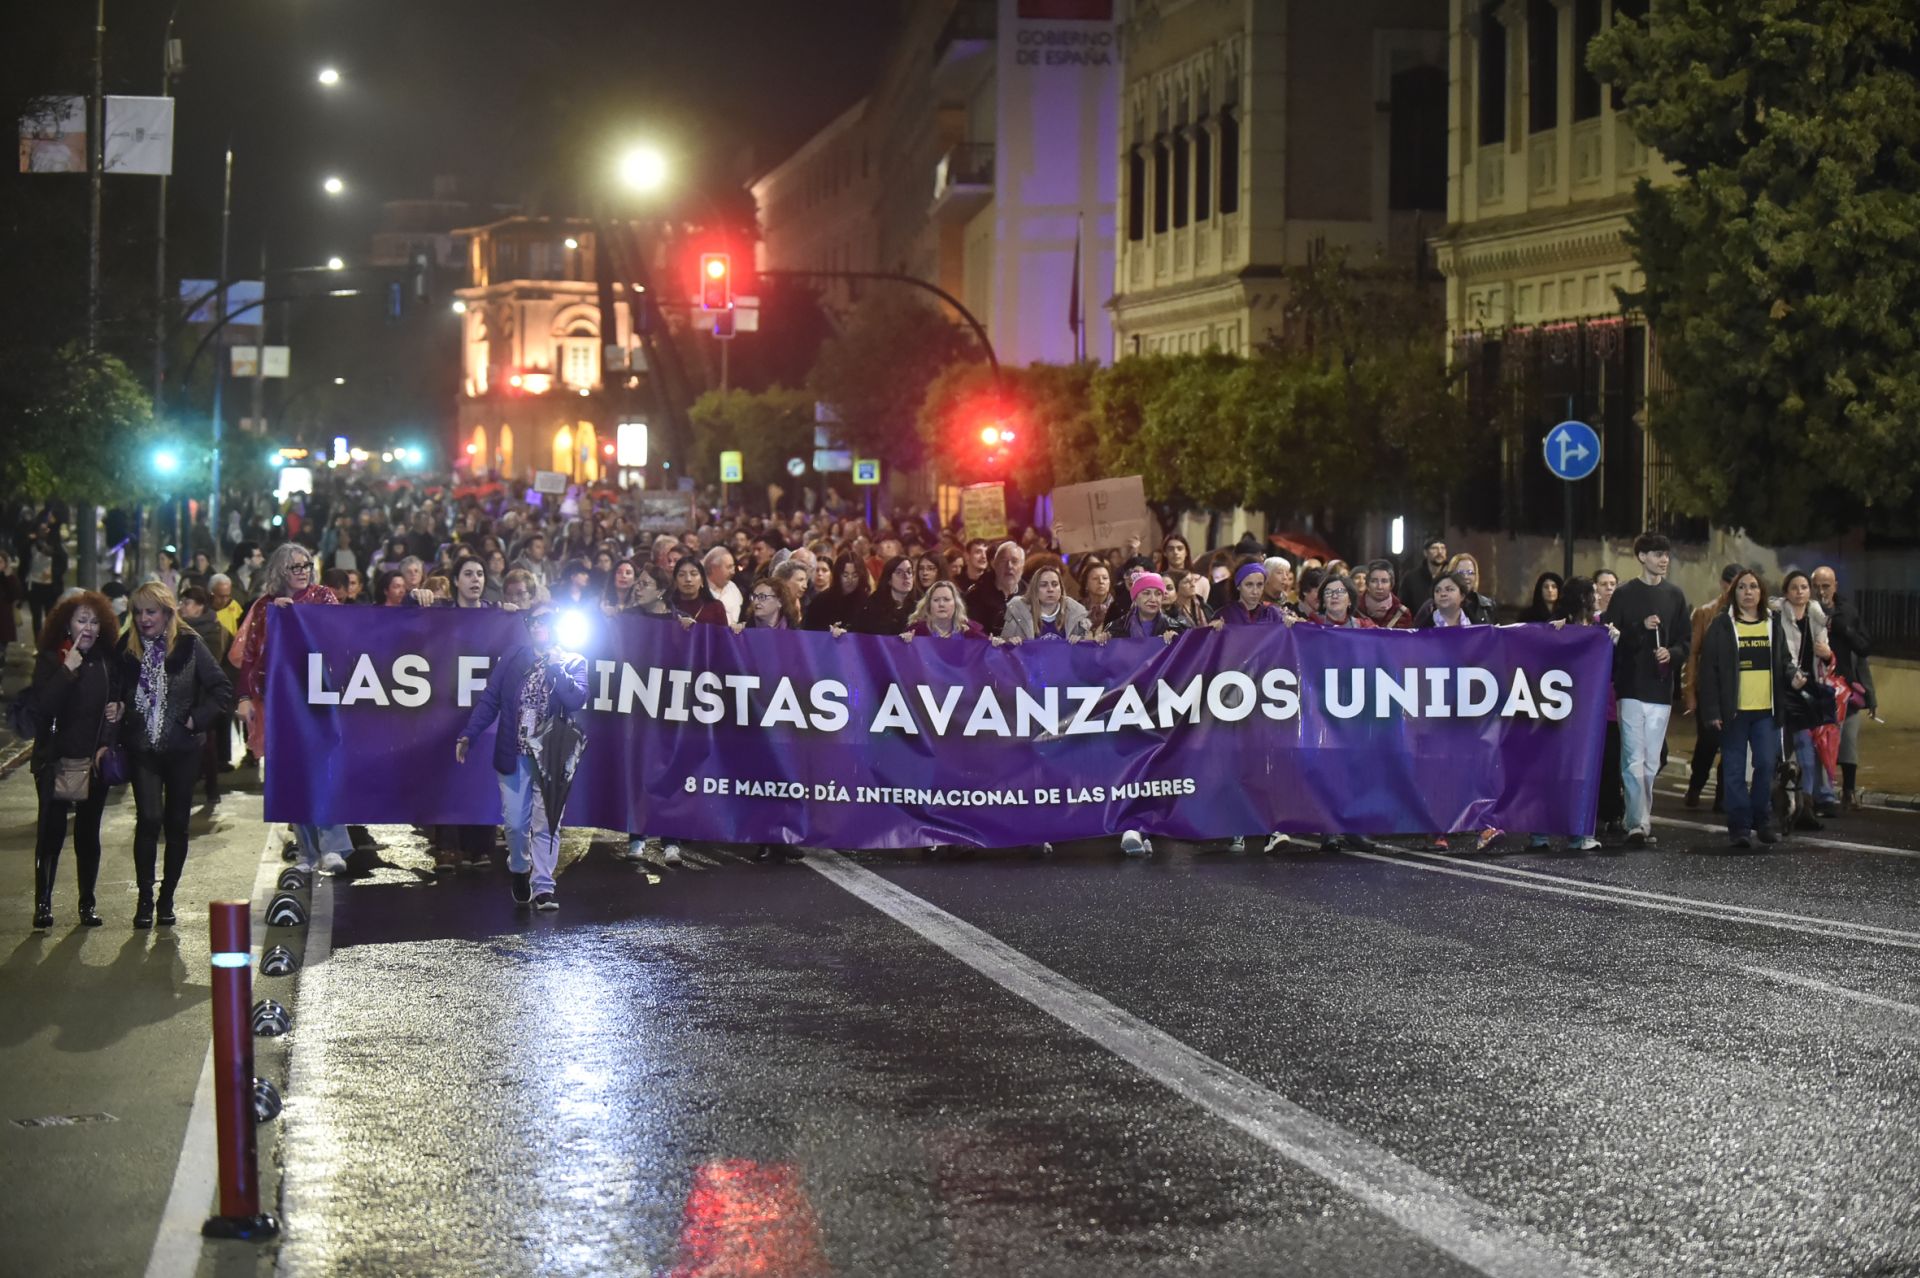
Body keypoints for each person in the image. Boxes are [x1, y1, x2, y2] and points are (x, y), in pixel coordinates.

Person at [232, 543, 357, 876]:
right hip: (281, 703)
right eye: (295, 567)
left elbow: (339, 637)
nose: (302, 572)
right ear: (279, 571)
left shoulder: (324, 598)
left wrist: (298, 619)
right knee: (290, 775)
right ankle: (306, 849)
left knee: (323, 772)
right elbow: (249, 658)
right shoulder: (264, 608)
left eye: (306, 566)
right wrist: (244, 697)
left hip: (320, 699)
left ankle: (332, 847)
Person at [455, 602, 589, 910]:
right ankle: (519, 867)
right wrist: (469, 734)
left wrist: (556, 667)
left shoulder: (573, 660)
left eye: (544, 620)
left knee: (548, 823)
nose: (536, 625)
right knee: (515, 824)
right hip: (514, 752)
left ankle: (543, 886)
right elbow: (490, 700)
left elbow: (577, 699)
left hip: (552, 756)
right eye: (532, 621)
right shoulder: (514, 657)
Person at [117, 582, 235, 929]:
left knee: (177, 825)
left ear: (168, 613)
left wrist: (196, 718)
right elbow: (113, 687)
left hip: (182, 750)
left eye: (150, 612)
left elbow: (221, 689)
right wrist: (118, 707)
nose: (143, 619)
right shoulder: (127, 647)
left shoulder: (190, 645)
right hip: (142, 748)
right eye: (138, 612)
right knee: (149, 819)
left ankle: (166, 898)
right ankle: (144, 899)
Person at [21, 591, 122, 929]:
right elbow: (43, 708)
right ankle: (43, 903)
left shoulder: (108, 660)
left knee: (88, 835)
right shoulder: (52, 659)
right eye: (82, 620)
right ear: (67, 623)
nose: (88, 628)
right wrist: (67, 669)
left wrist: (115, 717)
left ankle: (87, 904)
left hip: (93, 761)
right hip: (55, 761)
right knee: (50, 835)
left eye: (94, 621)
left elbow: (117, 704)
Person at [1696, 569, 1793, 849]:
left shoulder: (1772, 624)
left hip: (1766, 711)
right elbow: (1709, 671)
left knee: (1765, 765)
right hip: (1734, 713)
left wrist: (1793, 675)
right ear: (1733, 593)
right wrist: (1712, 711)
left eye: (1753, 587)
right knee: (1735, 771)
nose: (1748, 592)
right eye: (1742, 587)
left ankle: (1761, 820)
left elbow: (1783, 661)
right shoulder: (1722, 626)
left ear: (1761, 592)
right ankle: (1739, 826)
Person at [1609, 533, 1691, 848]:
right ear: (1642, 556)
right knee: (1632, 755)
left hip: (1660, 687)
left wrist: (1672, 653)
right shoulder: (1624, 594)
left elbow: (1685, 640)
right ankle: (1637, 825)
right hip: (1631, 684)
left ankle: (1641, 818)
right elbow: (1611, 635)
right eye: (1657, 554)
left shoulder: (1675, 596)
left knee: (1651, 760)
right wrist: (1638, 628)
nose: (1664, 560)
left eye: (1666, 555)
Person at [1550, 577, 1618, 851]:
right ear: (1581, 598)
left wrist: (1612, 640)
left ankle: (1579, 832)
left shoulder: (1601, 629)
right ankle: (1540, 833)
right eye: (1593, 593)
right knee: (1554, 771)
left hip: (1588, 713)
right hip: (1557, 712)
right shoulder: (1558, 626)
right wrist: (1550, 633)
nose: (1599, 596)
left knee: (1583, 771)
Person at [1811, 565, 1875, 811]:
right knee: (1818, 741)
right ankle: (1819, 793)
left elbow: (1864, 648)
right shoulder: (1805, 610)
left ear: (1835, 586)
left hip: (1843, 688)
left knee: (1847, 741)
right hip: (1815, 685)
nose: (1821, 591)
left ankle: (1848, 790)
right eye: (1816, 586)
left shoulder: (1847, 612)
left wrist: (1844, 630)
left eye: (1826, 586)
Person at [1681, 563, 1744, 812]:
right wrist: (1690, 692)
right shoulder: (1705, 612)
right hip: (1709, 691)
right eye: (1733, 585)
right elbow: (1693, 654)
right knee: (1708, 743)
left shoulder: (1748, 613)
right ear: (1724, 584)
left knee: (1733, 744)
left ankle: (1723, 795)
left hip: (1737, 690)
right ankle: (1696, 785)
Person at [1777, 569, 1837, 823]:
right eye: (1794, 587)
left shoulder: (1817, 617)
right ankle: (1779, 802)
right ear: (1786, 592)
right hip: (1782, 690)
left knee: (1806, 748)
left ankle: (1806, 805)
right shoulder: (1776, 616)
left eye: (1804, 587)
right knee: (1779, 751)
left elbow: (1827, 658)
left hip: (1808, 691)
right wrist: (1790, 673)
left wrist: (1827, 655)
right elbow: (1777, 655)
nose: (1800, 592)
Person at [177, 586, 233, 807]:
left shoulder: (212, 630)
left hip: (206, 697)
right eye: (182, 602)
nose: (183, 607)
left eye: (188, 603)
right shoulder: (178, 629)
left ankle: (211, 788)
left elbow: (214, 665)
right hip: (185, 696)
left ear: (200, 606)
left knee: (207, 744)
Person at [1002, 564, 1092, 642]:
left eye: (1054, 584)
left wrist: (1081, 642)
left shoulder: (1076, 614)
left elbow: (1088, 652)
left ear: (1061, 588)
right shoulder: (1018, 613)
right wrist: (1009, 643)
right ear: (1035, 589)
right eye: (1043, 585)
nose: (1050, 589)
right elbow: (1004, 647)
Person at [1100, 572, 1187, 643]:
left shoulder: (1176, 627)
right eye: (1146, 593)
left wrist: (1178, 642)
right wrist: (1101, 642)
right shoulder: (1115, 628)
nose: (1153, 599)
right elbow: (1103, 659)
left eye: (1158, 594)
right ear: (1135, 598)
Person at [964, 542, 1026, 638]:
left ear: (1022, 565)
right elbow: (971, 633)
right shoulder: (975, 595)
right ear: (994, 564)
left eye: (1014, 561)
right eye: (1003, 561)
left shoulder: (1030, 594)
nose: (1009, 566)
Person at [904, 580, 988, 641]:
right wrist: (903, 645)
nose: (941, 604)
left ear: (956, 604)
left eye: (946, 599)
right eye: (936, 600)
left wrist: (995, 644)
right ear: (929, 605)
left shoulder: (972, 633)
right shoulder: (915, 633)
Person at [856, 556, 918, 635]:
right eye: (899, 572)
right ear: (889, 580)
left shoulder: (920, 605)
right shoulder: (873, 605)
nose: (906, 576)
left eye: (909, 572)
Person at [669, 556, 729, 627]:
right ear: (675, 581)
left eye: (693, 574)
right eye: (682, 575)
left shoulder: (716, 607)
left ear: (702, 580)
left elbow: (724, 636)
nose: (688, 579)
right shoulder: (667, 607)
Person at [1357, 560, 1414, 629]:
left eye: (1384, 581)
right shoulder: (1354, 610)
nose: (1379, 586)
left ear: (1391, 585)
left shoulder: (1402, 613)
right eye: (1374, 581)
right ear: (1367, 584)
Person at [1306, 576, 1375, 629]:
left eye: (1340, 591)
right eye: (1328, 592)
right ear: (1323, 602)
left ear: (1350, 600)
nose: (1334, 596)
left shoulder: (1363, 626)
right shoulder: (1313, 625)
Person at [736, 576, 802, 630]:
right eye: (754, 597)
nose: (755, 601)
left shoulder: (794, 632)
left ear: (780, 602)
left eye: (762, 597)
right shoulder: (744, 630)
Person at [1400, 536, 1448, 609]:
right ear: (1426, 553)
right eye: (1434, 548)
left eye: (1443, 548)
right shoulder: (1411, 578)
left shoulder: (1451, 577)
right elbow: (1403, 607)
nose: (1440, 552)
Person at [704, 546, 743, 624]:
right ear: (714, 568)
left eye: (733, 567)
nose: (733, 572)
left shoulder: (733, 587)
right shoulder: (701, 590)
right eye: (729, 567)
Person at [1079, 562, 1119, 633]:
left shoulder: (1119, 607)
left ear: (1110, 582)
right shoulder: (1077, 608)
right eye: (1095, 578)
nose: (1101, 581)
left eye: (1105, 578)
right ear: (1086, 584)